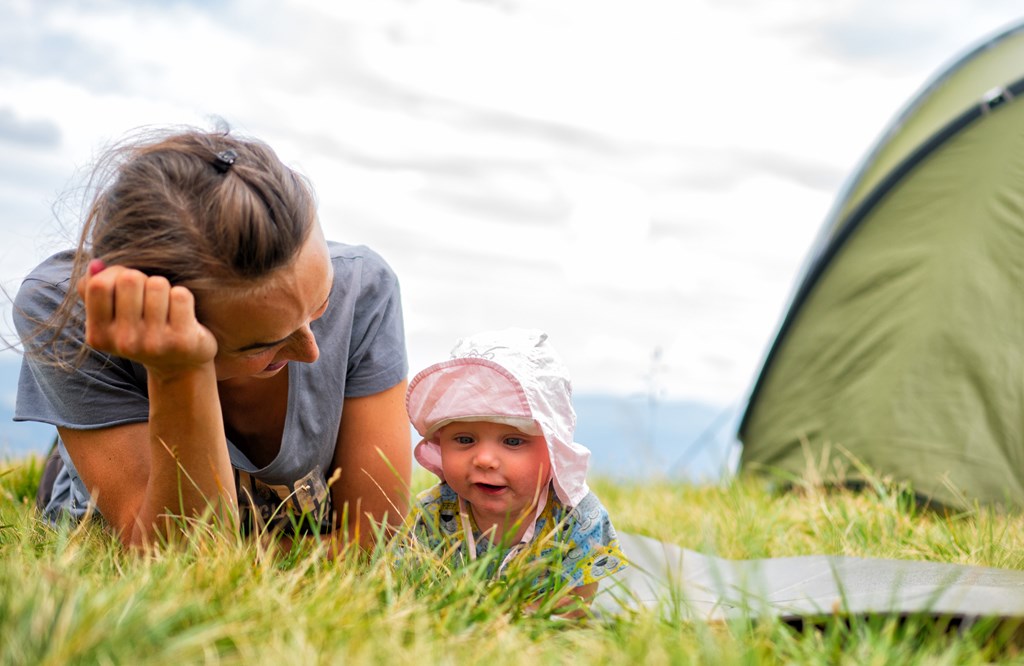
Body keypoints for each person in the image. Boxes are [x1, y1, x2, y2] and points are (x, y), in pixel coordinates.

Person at [13, 126, 411, 552]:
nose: (312, 351)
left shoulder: (364, 288)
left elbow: (372, 539)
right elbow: (184, 560)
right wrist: (176, 370)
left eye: (320, 303)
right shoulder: (62, 308)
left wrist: (253, 559)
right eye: (260, 345)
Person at [405, 328, 627, 613]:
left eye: (512, 441)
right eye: (464, 439)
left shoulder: (578, 518)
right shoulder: (433, 513)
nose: (484, 459)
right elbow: (411, 592)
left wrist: (503, 616)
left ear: (552, 448)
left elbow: (574, 607)